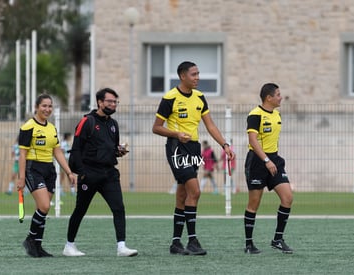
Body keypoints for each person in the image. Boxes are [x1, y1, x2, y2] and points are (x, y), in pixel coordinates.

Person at [152, 61, 235, 256]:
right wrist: (176, 134)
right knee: (195, 191)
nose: (197, 77)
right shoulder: (170, 98)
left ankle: (175, 243)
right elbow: (156, 127)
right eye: (193, 74)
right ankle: (192, 240)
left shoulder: (200, 98)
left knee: (183, 194)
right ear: (182, 76)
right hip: (176, 148)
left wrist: (225, 144)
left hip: (194, 149)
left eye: (198, 74)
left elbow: (211, 126)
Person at [62, 87, 138, 257]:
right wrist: (82, 173)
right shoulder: (87, 121)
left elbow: (111, 148)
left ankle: (121, 247)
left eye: (115, 102)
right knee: (80, 210)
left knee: (119, 208)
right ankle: (69, 245)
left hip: (109, 174)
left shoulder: (113, 124)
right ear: (100, 102)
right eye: (110, 101)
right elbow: (76, 150)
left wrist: (119, 151)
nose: (113, 104)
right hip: (89, 174)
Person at [17, 93, 77, 257]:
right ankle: (30, 239)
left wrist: (69, 172)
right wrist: (21, 178)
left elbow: (57, 151)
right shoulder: (28, 126)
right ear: (36, 107)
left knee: (42, 210)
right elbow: (22, 154)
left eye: (50, 106)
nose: (47, 109)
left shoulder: (51, 128)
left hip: (49, 170)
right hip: (33, 168)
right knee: (44, 206)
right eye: (44, 106)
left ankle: (37, 245)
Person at [243, 83, 293, 254]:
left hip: (275, 160)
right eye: (278, 94)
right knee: (254, 203)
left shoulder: (277, 115)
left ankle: (277, 240)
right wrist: (265, 160)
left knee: (287, 198)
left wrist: (273, 160)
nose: (281, 97)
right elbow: (253, 140)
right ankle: (249, 244)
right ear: (269, 98)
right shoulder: (255, 115)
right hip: (257, 162)